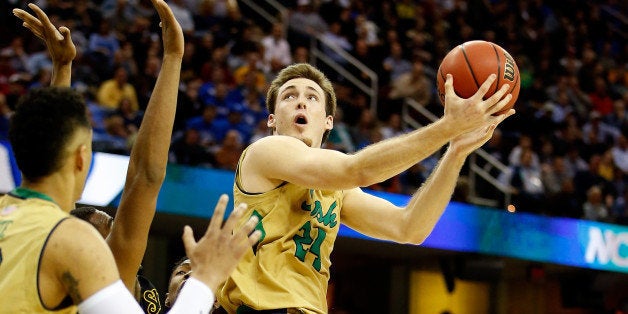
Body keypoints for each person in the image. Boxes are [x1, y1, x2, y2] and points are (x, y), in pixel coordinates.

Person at [1, 1, 260, 313]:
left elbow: (58, 142)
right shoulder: (71, 241)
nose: (115, 233)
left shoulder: (18, 219)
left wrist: (63, 71)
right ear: (81, 159)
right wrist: (205, 278)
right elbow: (144, 177)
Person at [217, 63, 514, 313]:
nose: (301, 101)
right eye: (289, 96)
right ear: (272, 119)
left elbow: (409, 227)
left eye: (312, 97)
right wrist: (448, 126)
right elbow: (356, 170)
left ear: (328, 121)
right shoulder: (264, 152)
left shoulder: (337, 191)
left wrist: (455, 153)